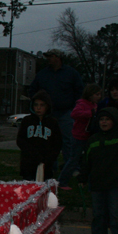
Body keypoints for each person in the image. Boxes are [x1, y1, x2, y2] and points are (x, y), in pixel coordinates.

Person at [29, 49, 84, 184]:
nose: (48, 59)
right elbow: (32, 90)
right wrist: (38, 105)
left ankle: (71, 168)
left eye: (51, 56)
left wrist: (75, 107)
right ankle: (49, 167)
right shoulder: (42, 74)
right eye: (47, 56)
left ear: (58, 57)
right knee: (47, 141)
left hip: (66, 113)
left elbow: (80, 90)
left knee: (67, 141)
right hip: (48, 115)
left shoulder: (71, 73)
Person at [60, 84, 101, 189]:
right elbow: (74, 114)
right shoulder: (82, 104)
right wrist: (90, 113)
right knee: (73, 160)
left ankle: (85, 181)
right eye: (97, 94)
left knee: (88, 160)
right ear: (90, 94)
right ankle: (62, 182)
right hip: (78, 137)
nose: (99, 96)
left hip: (89, 136)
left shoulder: (94, 105)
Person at [16, 91, 63, 181]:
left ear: (47, 106)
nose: (38, 108)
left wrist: (49, 158)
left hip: (46, 164)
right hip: (29, 163)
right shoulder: (27, 120)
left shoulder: (52, 123)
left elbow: (57, 143)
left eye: (42, 105)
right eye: (36, 105)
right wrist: (31, 153)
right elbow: (20, 140)